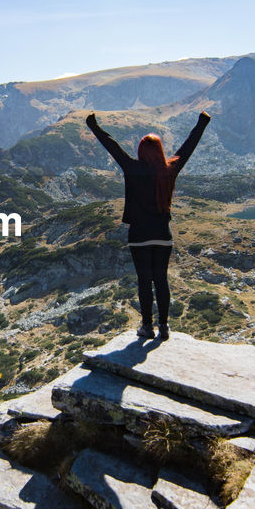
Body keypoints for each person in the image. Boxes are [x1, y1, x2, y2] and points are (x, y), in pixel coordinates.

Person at [86, 110, 211, 340]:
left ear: (141, 152)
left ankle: (147, 327)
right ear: (161, 151)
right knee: (161, 280)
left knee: (145, 281)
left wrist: (93, 126)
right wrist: (202, 123)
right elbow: (188, 147)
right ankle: (164, 327)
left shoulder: (133, 169)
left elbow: (112, 147)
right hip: (163, 234)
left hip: (140, 235)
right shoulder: (169, 170)